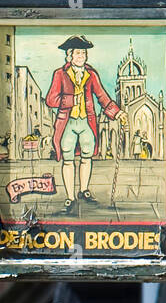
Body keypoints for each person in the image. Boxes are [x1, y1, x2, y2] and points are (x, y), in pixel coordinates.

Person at [44, 35, 127, 214]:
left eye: (83, 53)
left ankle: (83, 190)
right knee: (67, 159)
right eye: (78, 53)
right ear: (69, 55)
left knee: (87, 157)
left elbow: (102, 96)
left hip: (87, 122)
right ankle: (70, 197)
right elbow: (50, 100)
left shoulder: (91, 74)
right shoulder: (60, 74)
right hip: (67, 123)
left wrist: (117, 113)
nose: (81, 56)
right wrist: (71, 100)